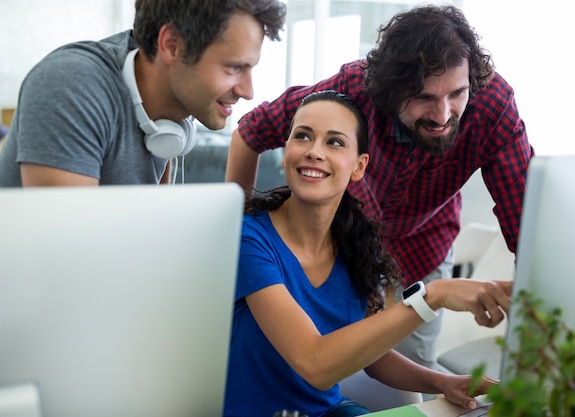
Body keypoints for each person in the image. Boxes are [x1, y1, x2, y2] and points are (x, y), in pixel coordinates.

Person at [225, 4, 533, 375]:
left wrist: (542, 321)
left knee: (411, 365)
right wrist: (237, 239)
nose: (442, 114)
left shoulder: (492, 107)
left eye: (456, 93)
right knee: (303, 355)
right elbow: (251, 131)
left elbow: (529, 225)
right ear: (390, 89)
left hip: (424, 246)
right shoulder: (350, 91)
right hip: (346, 247)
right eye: (423, 98)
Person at [223, 90, 512, 417]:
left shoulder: (354, 247)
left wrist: (442, 382)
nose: (315, 151)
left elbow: (370, 356)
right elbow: (314, 363)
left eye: (334, 142)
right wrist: (431, 297)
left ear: (359, 167)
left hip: (331, 411)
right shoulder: (249, 238)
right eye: (302, 136)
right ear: (286, 150)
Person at [0, 0, 286, 187]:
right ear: (171, 45)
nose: (248, 92)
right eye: (234, 68)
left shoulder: (173, 113)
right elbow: (67, 256)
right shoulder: (71, 84)